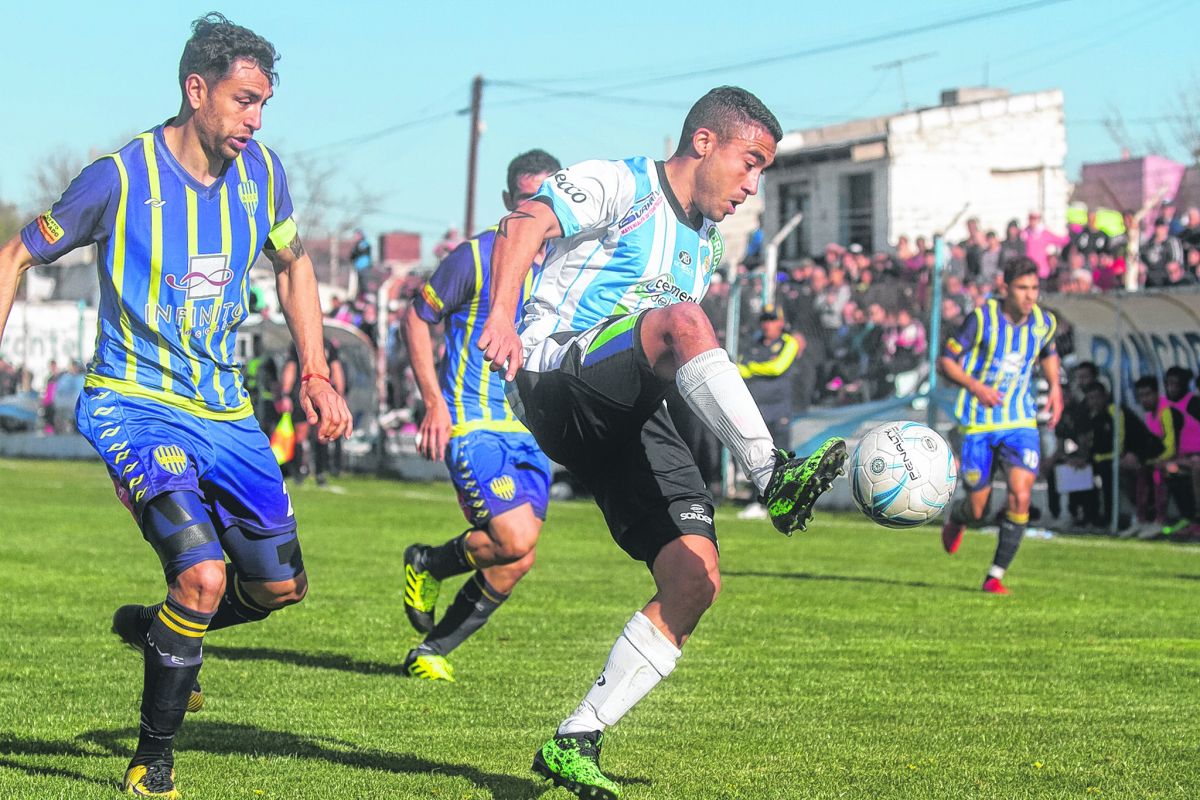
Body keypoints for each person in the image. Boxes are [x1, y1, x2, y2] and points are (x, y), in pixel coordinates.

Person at [0, 15, 352, 798]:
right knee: (199, 575)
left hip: (225, 413)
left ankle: (163, 636)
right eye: (244, 100)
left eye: (264, 103)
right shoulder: (117, 178)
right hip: (134, 402)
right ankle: (151, 760)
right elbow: (17, 253)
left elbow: (294, 267)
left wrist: (317, 371)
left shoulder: (263, 174)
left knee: (275, 591)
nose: (255, 119)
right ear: (196, 91)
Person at [476, 86, 846, 799]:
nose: (752, 185)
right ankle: (772, 474)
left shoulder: (701, 249)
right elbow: (522, 224)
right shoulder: (623, 182)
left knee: (695, 577)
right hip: (555, 375)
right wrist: (499, 316)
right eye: (750, 162)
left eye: (764, 171)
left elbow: (679, 360)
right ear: (704, 142)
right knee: (682, 320)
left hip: (627, 407)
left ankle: (576, 737)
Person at [399, 149, 561, 681]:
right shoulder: (477, 255)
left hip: (530, 430)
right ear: (506, 202)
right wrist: (433, 401)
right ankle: (427, 563)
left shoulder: (566, 265)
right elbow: (417, 318)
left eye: (543, 198)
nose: (532, 210)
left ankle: (432, 650)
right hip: (473, 421)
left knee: (517, 558)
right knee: (512, 538)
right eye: (523, 200)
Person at [939, 257, 1063, 594]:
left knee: (1020, 496)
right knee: (979, 510)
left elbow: (1049, 351)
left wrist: (1055, 386)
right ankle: (959, 516)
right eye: (1023, 288)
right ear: (1004, 288)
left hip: (1020, 421)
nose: (1030, 296)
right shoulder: (981, 319)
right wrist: (976, 387)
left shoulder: (1043, 322)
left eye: (1034, 288)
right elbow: (946, 361)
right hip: (978, 423)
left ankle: (995, 575)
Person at [280, 338, 346, 486]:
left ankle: (300, 474)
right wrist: (339, 395)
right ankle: (319, 474)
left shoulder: (299, 342)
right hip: (320, 392)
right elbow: (337, 371)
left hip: (303, 392)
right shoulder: (328, 344)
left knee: (302, 436)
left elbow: (289, 370)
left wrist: (285, 393)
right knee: (318, 434)